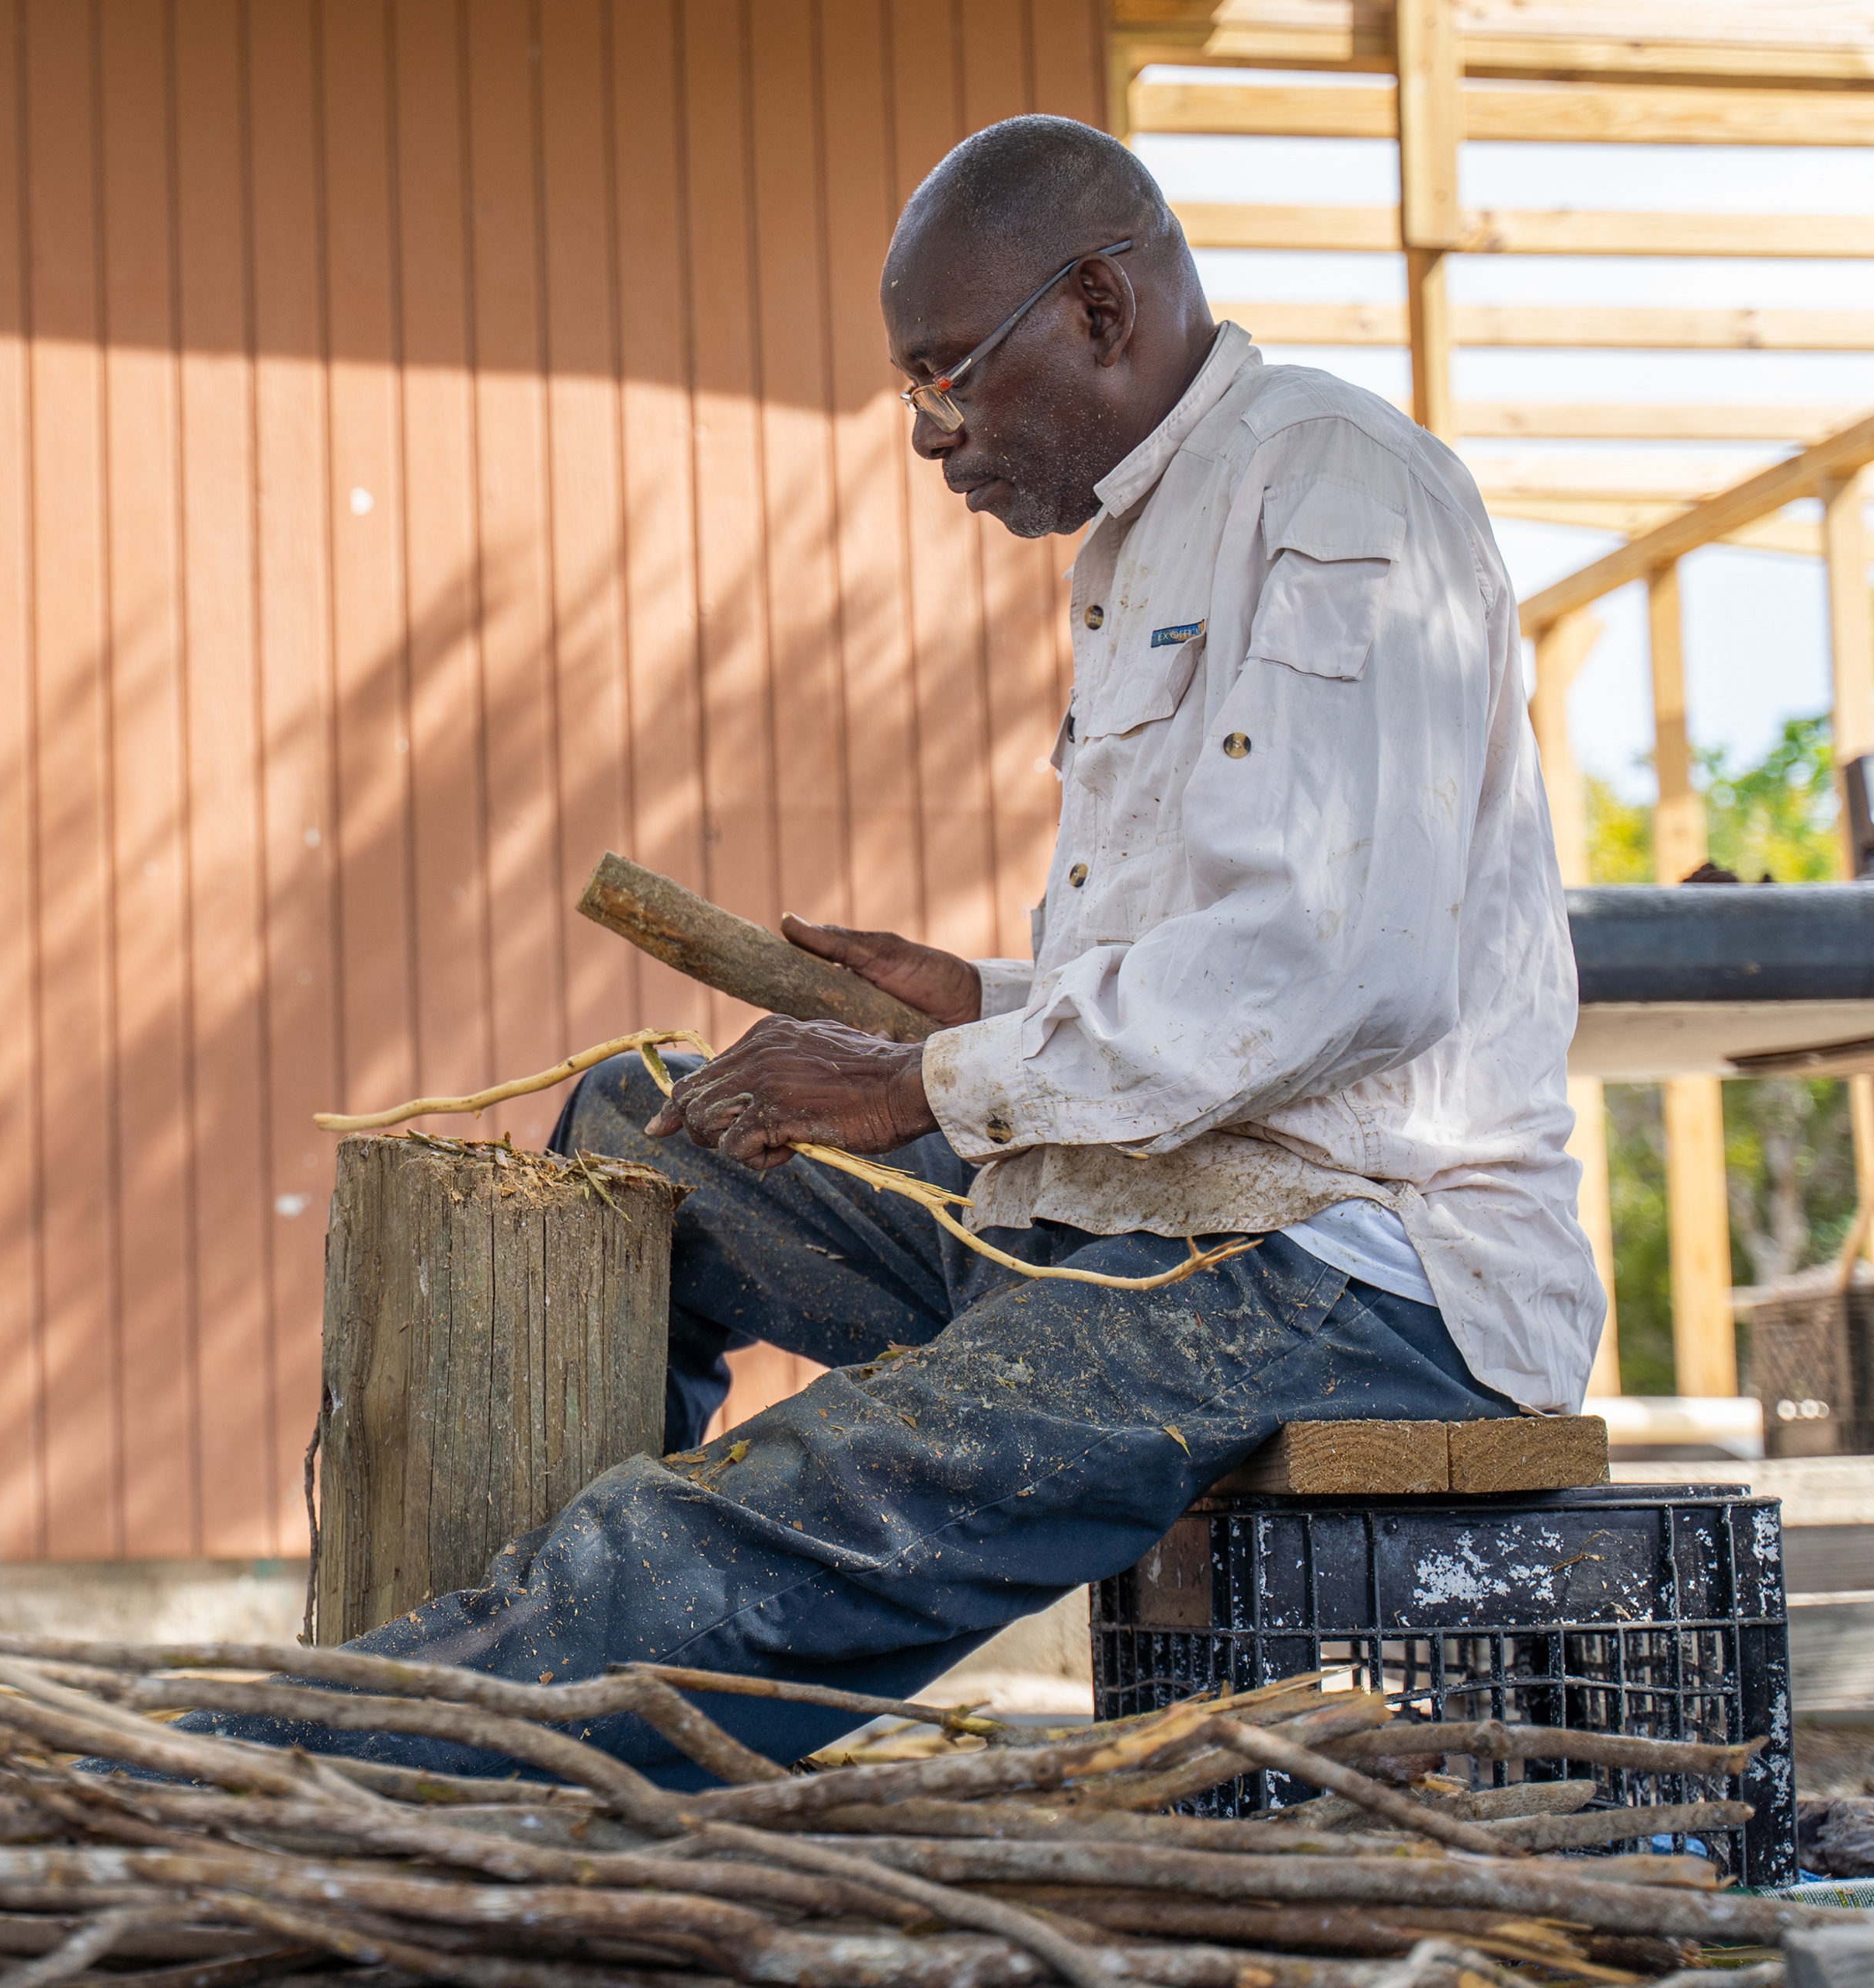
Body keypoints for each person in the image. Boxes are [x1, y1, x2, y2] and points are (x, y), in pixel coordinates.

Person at [183, 112, 1600, 1785]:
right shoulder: (1146, 533)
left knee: (812, 1501)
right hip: (1146, 1207)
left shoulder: (1337, 492)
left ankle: (333, 1770)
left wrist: (927, 1075)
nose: (932, 436)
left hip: (1351, 1268)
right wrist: (988, 1002)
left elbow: (1335, 973)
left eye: (948, 377)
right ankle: (492, 1635)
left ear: (1096, 305)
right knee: (646, 1125)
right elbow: (1215, 962)